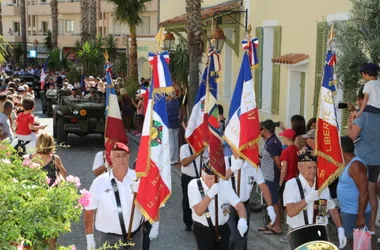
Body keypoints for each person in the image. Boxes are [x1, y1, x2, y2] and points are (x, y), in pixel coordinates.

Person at [85, 142, 157, 250]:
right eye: (117, 156)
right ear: (110, 157)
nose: (121, 159)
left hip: (135, 238)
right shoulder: (99, 182)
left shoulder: (139, 179)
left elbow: (154, 202)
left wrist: (155, 223)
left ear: (129, 157)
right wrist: (89, 237)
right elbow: (89, 211)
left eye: (124, 155)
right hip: (109, 240)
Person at [283, 152, 347, 249]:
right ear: (299, 167)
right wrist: (307, 199)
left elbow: (332, 208)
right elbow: (291, 212)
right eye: (309, 167)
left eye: (314, 167)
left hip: (320, 231)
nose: (312, 170)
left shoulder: (322, 186)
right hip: (299, 232)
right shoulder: (292, 185)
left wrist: (340, 229)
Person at [188, 160, 248, 250]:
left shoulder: (225, 185)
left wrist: (243, 219)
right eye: (210, 179)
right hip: (203, 230)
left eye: (216, 178)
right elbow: (199, 211)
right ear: (202, 175)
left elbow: (239, 206)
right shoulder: (194, 185)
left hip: (222, 229)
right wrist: (209, 195)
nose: (214, 182)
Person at [225, 147, 276, 250]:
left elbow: (263, 186)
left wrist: (270, 207)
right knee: (232, 237)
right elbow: (217, 180)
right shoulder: (225, 161)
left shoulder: (252, 166)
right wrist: (232, 168)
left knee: (242, 238)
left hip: (245, 205)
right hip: (228, 207)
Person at [348, 96, 380, 233]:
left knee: (362, 192)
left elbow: (351, 139)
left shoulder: (363, 117)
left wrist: (351, 122)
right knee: (372, 193)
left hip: (363, 161)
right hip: (377, 160)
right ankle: (372, 226)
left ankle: (361, 223)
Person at [337, 136, 371, 248]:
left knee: (359, 243)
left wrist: (360, 216)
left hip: (355, 213)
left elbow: (364, 191)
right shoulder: (346, 163)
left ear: (341, 149)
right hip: (348, 211)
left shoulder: (356, 165)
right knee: (353, 243)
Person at [259, 120, 282, 235]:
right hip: (267, 176)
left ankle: (277, 226)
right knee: (270, 201)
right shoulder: (269, 141)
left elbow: (278, 162)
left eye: (261, 129)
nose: (259, 131)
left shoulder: (272, 143)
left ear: (266, 130)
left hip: (272, 177)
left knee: (274, 202)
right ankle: (271, 223)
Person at [180, 144, 208, 232]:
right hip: (188, 178)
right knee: (187, 200)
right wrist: (196, 154)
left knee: (203, 200)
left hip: (202, 178)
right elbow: (184, 162)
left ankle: (202, 222)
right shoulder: (184, 148)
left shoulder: (206, 148)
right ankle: (188, 222)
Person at [278, 129, 299, 243]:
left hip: (287, 182)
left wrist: (280, 183)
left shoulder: (285, 152)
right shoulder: (297, 150)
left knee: (287, 208)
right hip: (296, 180)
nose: (282, 139)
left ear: (287, 138)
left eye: (283, 137)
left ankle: (289, 233)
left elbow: (283, 169)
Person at [167, 91, 180, 165]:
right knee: (175, 141)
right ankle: (175, 158)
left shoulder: (168, 104)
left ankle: (171, 159)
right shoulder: (177, 103)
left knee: (171, 142)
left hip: (170, 124)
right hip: (176, 123)